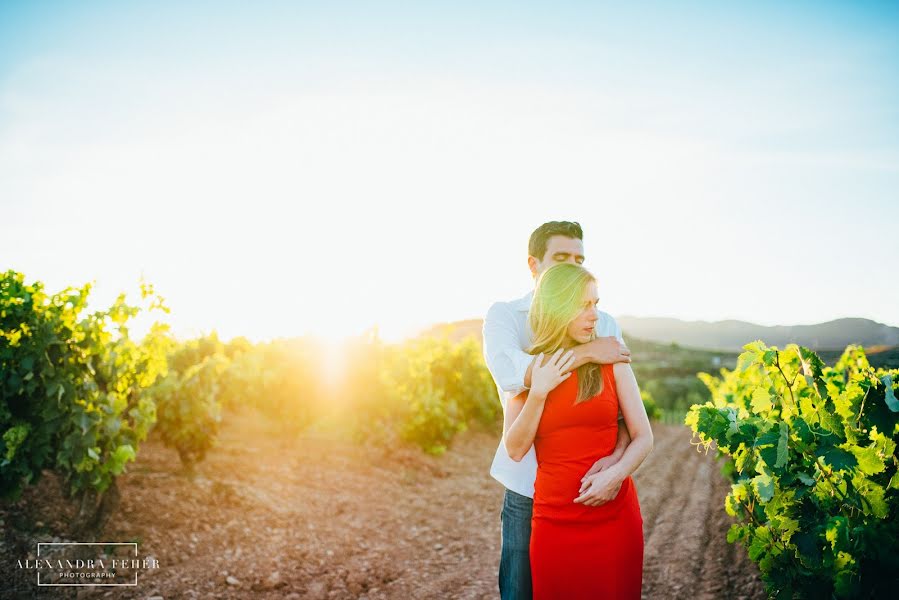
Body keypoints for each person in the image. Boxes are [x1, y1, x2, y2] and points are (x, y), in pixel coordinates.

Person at [482, 221, 633, 600]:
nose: (572, 265)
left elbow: (624, 410)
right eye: (561, 257)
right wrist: (586, 353)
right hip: (526, 485)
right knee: (520, 589)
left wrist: (616, 464)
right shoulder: (505, 316)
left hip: (591, 488)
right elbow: (514, 374)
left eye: (579, 258)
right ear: (534, 265)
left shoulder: (605, 321)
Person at [504, 262, 653, 599]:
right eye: (584, 305)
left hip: (615, 520)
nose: (594, 315)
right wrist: (539, 391)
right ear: (557, 307)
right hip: (553, 523)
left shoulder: (611, 359)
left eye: (596, 304)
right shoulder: (527, 371)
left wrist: (614, 476)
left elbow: (643, 436)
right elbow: (515, 448)